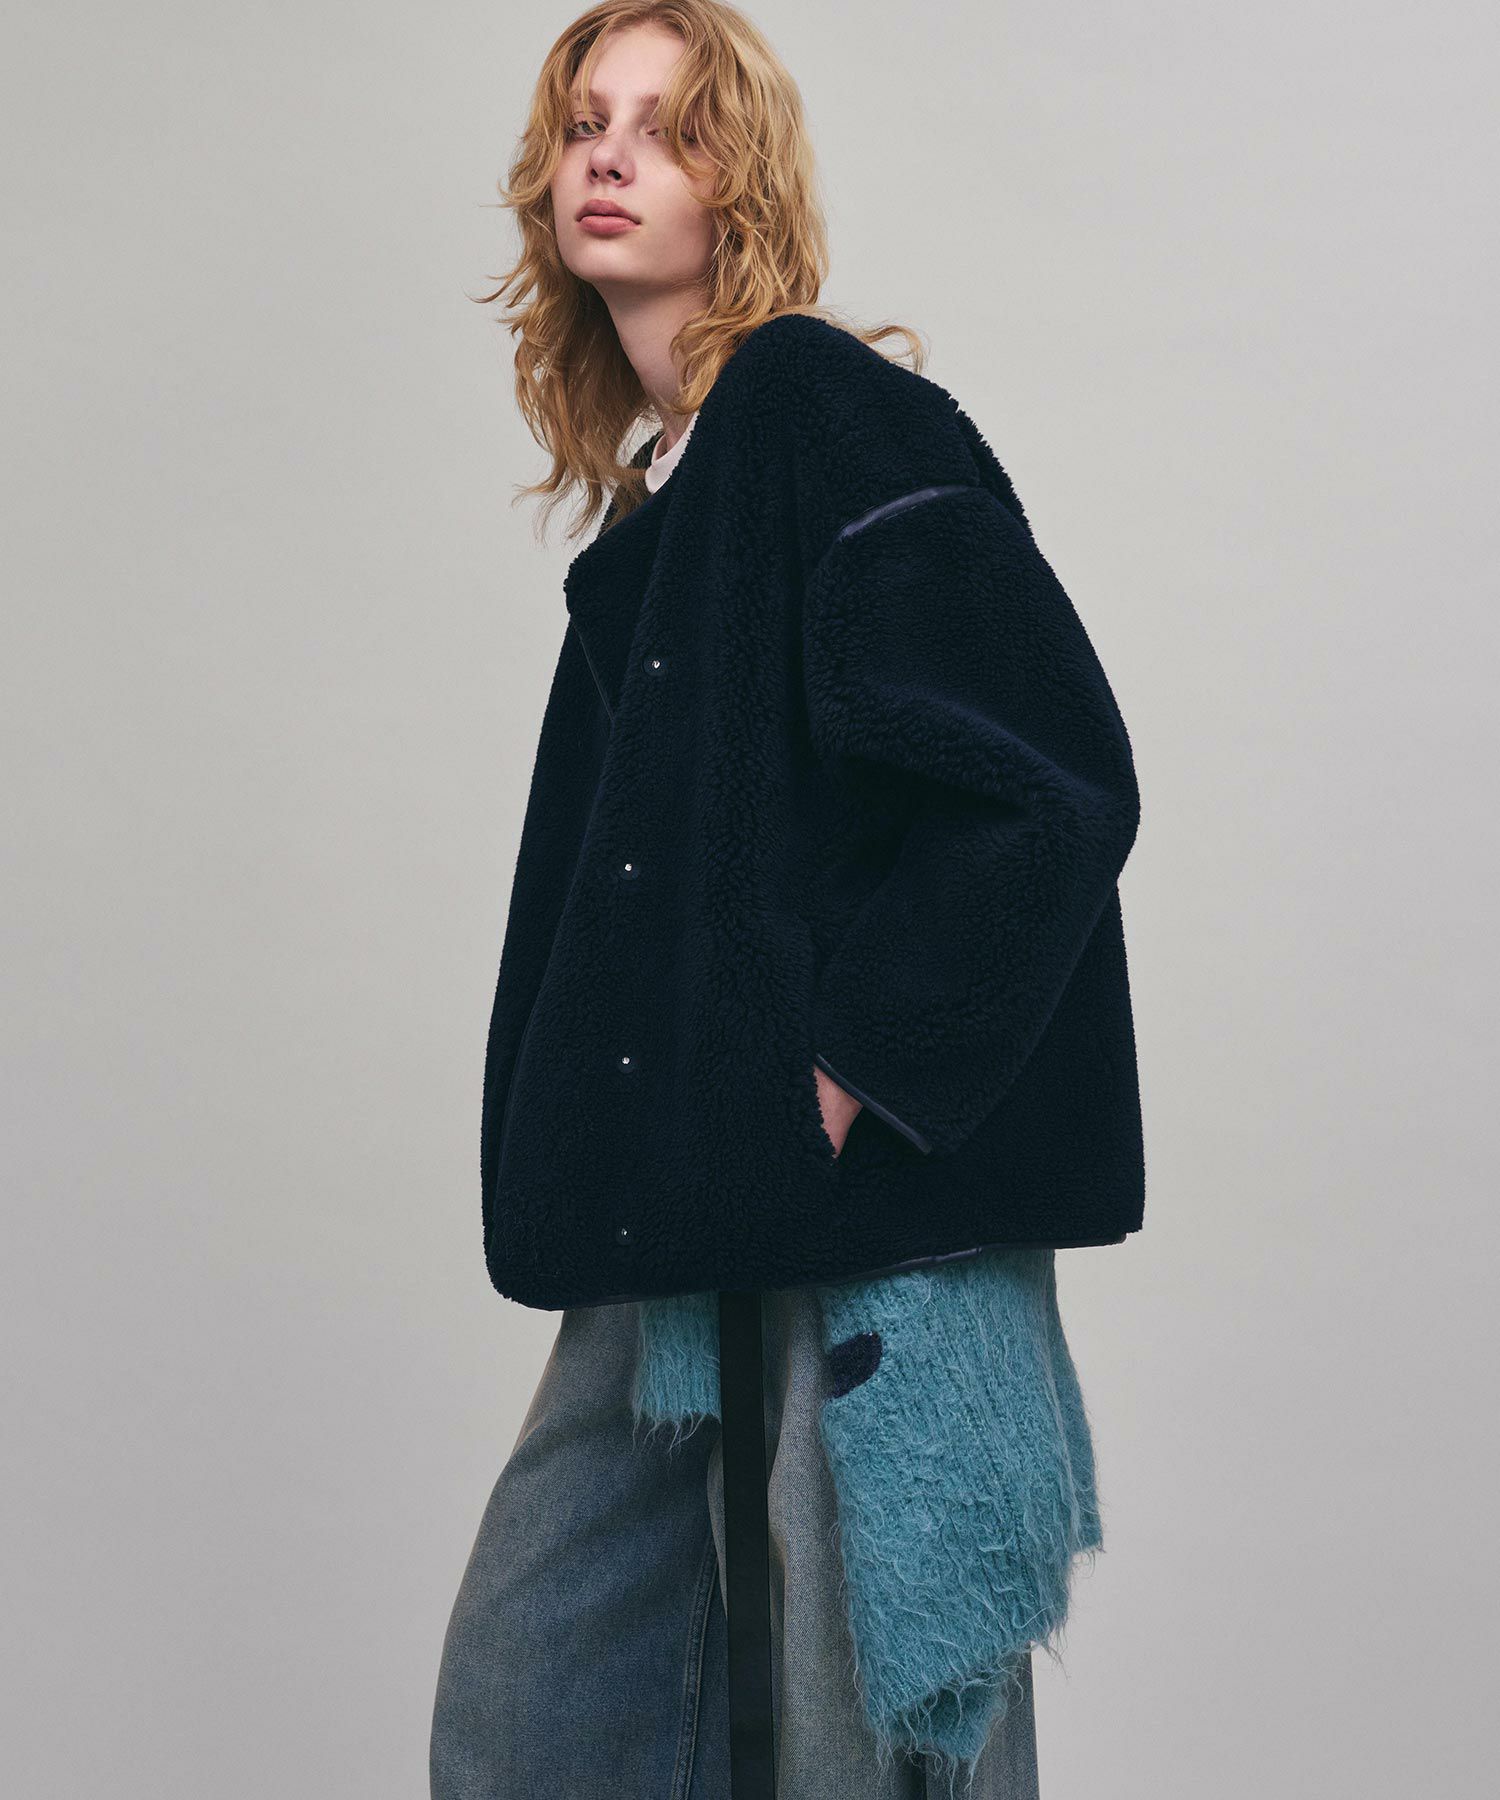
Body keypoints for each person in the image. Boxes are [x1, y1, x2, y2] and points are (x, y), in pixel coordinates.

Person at [431, 5, 1145, 1797]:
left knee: (866, 1733)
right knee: (542, 1697)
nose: (608, 156)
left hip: (861, 1210)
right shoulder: (668, 504)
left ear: (735, 185)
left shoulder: (823, 412)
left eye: (666, 129)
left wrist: (846, 1072)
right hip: (684, 1200)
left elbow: (1051, 778)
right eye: (584, 124)